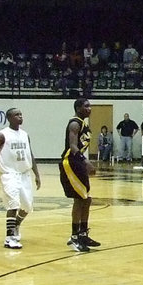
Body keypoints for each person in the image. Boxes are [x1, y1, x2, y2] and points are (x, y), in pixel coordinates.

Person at [0, 107, 41, 249]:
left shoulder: (25, 134)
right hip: (9, 174)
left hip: (24, 174)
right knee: (13, 205)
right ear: (9, 118)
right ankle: (9, 238)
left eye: (21, 114)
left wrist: (37, 174)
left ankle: (15, 225)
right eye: (17, 115)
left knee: (27, 207)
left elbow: (31, 154)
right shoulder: (2, 135)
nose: (20, 117)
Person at [60, 97, 99, 252]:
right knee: (80, 199)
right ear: (78, 108)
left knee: (87, 199)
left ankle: (83, 233)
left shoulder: (84, 123)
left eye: (90, 105)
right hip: (70, 162)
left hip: (78, 162)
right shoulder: (75, 123)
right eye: (86, 106)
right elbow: (73, 146)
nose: (90, 108)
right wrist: (86, 161)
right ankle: (74, 236)